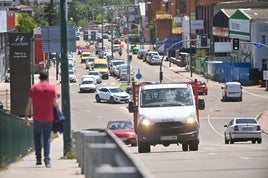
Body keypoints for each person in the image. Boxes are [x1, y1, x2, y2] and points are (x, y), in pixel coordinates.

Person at [24, 70, 59, 168]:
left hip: (37, 118)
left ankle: (38, 159)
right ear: (47, 78)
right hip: (48, 117)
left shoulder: (34, 88)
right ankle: (47, 159)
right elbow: (55, 104)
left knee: (37, 137)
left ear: (39, 78)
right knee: (47, 138)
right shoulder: (51, 88)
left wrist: (26, 116)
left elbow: (29, 103)